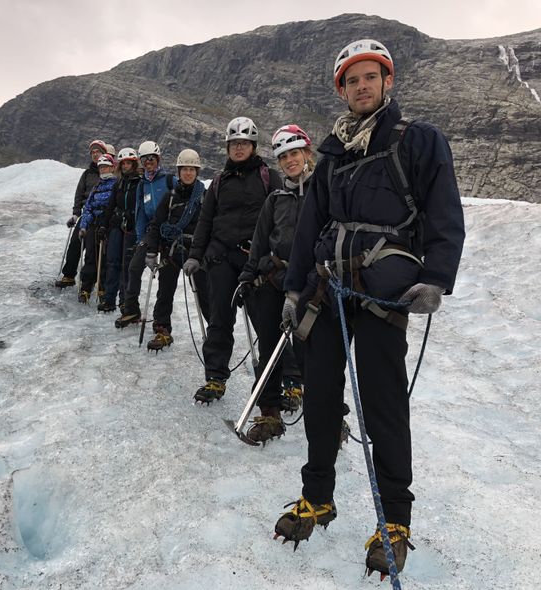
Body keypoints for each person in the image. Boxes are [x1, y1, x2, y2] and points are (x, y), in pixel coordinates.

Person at [274, 39, 465, 577]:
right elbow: (312, 224)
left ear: (387, 82)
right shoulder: (333, 152)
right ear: (342, 88)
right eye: (351, 80)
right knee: (319, 400)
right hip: (329, 288)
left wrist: (435, 279)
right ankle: (318, 497)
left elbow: (444, 214)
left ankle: (394, 521)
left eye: (370, 77)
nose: (361, 86)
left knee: (383, 405)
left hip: (384, 294)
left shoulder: (419, 141)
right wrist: (293, 289)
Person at [182, 117, 283, 403]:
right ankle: (215, 378)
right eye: (234, 144)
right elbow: (205, 221)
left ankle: (286, 379)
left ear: (253, 147)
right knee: (219, 319)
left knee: (266, 322)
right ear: (228, 148)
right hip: (222, 258)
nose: (238, 149)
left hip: (257, 260)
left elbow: (282, 218)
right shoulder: (218, 182)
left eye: (244, 144)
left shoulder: (268, 177)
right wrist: (195, 256)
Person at [232, 124, 314, 443]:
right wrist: (246, 275)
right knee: (269, 345)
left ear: (307, 154)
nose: (290, 161)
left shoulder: (323, 193)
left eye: (295, 154)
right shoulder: (277, 199)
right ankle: (270, 412)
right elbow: (260, 240)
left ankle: (331, 416)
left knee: (314, 351)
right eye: (284, 157)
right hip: (274, 278)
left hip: (311, 283)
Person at [143, 149, 210, 351]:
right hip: (171, 251)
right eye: (185, 169)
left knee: (206, 294)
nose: (188, 173)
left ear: (197, 172)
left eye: (192, 169)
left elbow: (211, 225)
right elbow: (156, 224)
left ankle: (216, 331)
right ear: (179, 171)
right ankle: (162, 329)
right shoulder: (170, 197)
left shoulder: (205, 197)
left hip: (196, 252)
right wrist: (151, 251)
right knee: (165, 292)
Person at [114, 141, 177, 328]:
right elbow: (140, 212)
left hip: (167, 232)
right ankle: (131, 310)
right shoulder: (142, 185)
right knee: (134, 268)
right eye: (145, 159)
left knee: (166, 279)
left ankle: (161, 321)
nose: (148, 162)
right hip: (150, 232)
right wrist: (142, 238)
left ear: (157, 159)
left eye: (151, 158)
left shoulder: (169, 180)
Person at [55, 139, 109, 288]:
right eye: (92, 152)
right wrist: (75, 214)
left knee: (93, 251)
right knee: (75, 244)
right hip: (86, 215)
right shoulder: (87, 174)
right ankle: (69, 276)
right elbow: (79, 194)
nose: (94, 154)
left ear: (104, 153)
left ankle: (90, 282)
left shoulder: (109, 172)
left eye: (97, 151)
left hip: (101, 217)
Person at [99, 148, 142, 313]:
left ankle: (125, 301)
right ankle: (109, 299)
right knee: (112, 262)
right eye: (123, 163)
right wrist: (104, 225)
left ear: (134, 163)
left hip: (131, 227)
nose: (126, 166)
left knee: (127, 265)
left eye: (129, 163)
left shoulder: (140, 183)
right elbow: (111, 205)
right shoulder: (119, 183)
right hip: (117, 225)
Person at [76, 154, 118, 303]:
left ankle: (103, 288)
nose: (103, 169)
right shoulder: (96, 187)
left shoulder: (116, 185)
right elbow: (87, 208)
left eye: (105, 166)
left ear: (112, 167)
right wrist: (83, 226)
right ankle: (86, 288)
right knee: (90, 257)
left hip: (108, 225)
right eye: (101, 167)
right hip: (94, 224)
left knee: (106, 257)